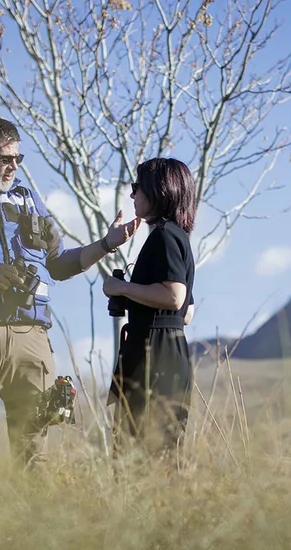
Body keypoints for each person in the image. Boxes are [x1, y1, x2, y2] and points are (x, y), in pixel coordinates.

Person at [0, 117, 140, 502]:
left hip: (33, 337)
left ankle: (36, 534)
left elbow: (60, 263)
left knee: (35, 450)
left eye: (18, 158)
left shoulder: (28, 199)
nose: (13, 166)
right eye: (4, 158)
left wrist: (107, 243)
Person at [102, 157, 197, 460]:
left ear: (159, 191)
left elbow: (175, 298)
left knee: (139, 455)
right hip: (170, 351)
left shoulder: (165, 236)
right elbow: (188, 312)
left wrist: (122, 288)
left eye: (137, 187)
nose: (132, 195)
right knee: (162, 453)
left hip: (153, 354)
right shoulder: (178, 237)